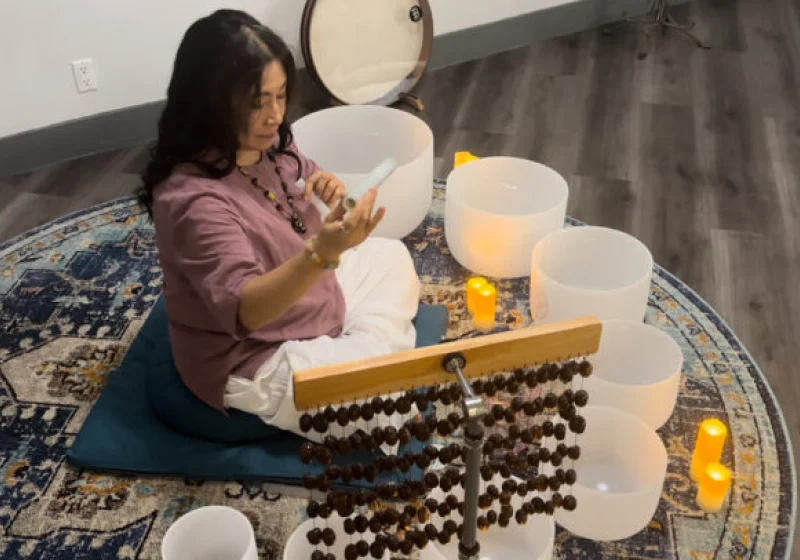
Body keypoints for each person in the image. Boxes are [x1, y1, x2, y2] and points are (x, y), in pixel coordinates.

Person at [137, 9, 421, 442]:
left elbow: (300, 168)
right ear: (211, 103)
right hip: (256, 353)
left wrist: (323, 181)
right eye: (257, 103)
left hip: (305, 290)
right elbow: (247, 311)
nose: (274, 115)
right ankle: (362, 354)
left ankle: (357, 350)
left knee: (393, 256)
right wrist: (322, 254)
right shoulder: (193, 201)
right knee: (391, 410)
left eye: (281, 95)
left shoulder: (270, 144)